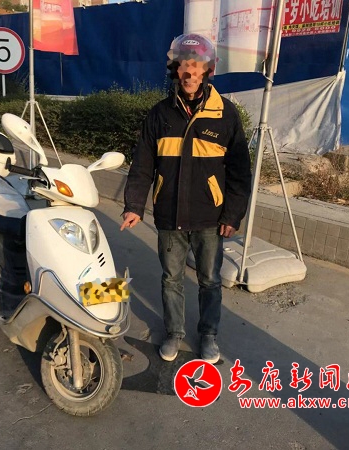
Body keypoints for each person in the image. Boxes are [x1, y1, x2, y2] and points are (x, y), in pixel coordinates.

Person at [120, 34, 252, 364]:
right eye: (183, 65)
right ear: (174, 70)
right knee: (171, 279)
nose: (189, 72)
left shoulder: (225, 115)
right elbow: (143, 164)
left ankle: (208, 335)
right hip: (169, 214)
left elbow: (239, 172)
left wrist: (232, 215)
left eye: (196, 65)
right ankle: (174, 333)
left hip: (210, 217)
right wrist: (134, 206)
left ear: (208, 70)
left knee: (210, 281)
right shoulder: (160, 114)